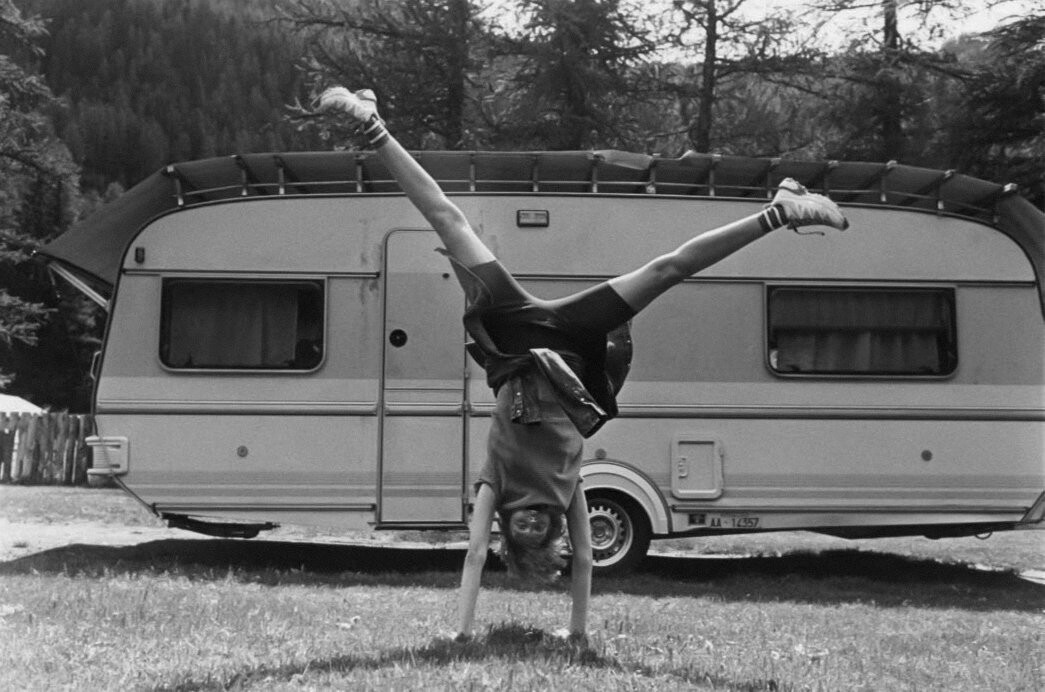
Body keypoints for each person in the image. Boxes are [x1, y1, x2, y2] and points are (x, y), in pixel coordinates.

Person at [315, 86, 849, 642]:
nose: (530, 522)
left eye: (520, 529)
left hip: (516, 342)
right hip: (572, 347)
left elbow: (473, 554)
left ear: (506, 526)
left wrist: (462, 633)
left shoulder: (496, 485)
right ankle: (781, 210)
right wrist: (577, 634)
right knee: (667, 272)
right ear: (551, 530)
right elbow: (588, 558)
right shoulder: (566, 492)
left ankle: (371, 124)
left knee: (450, 222)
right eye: (537, 530)